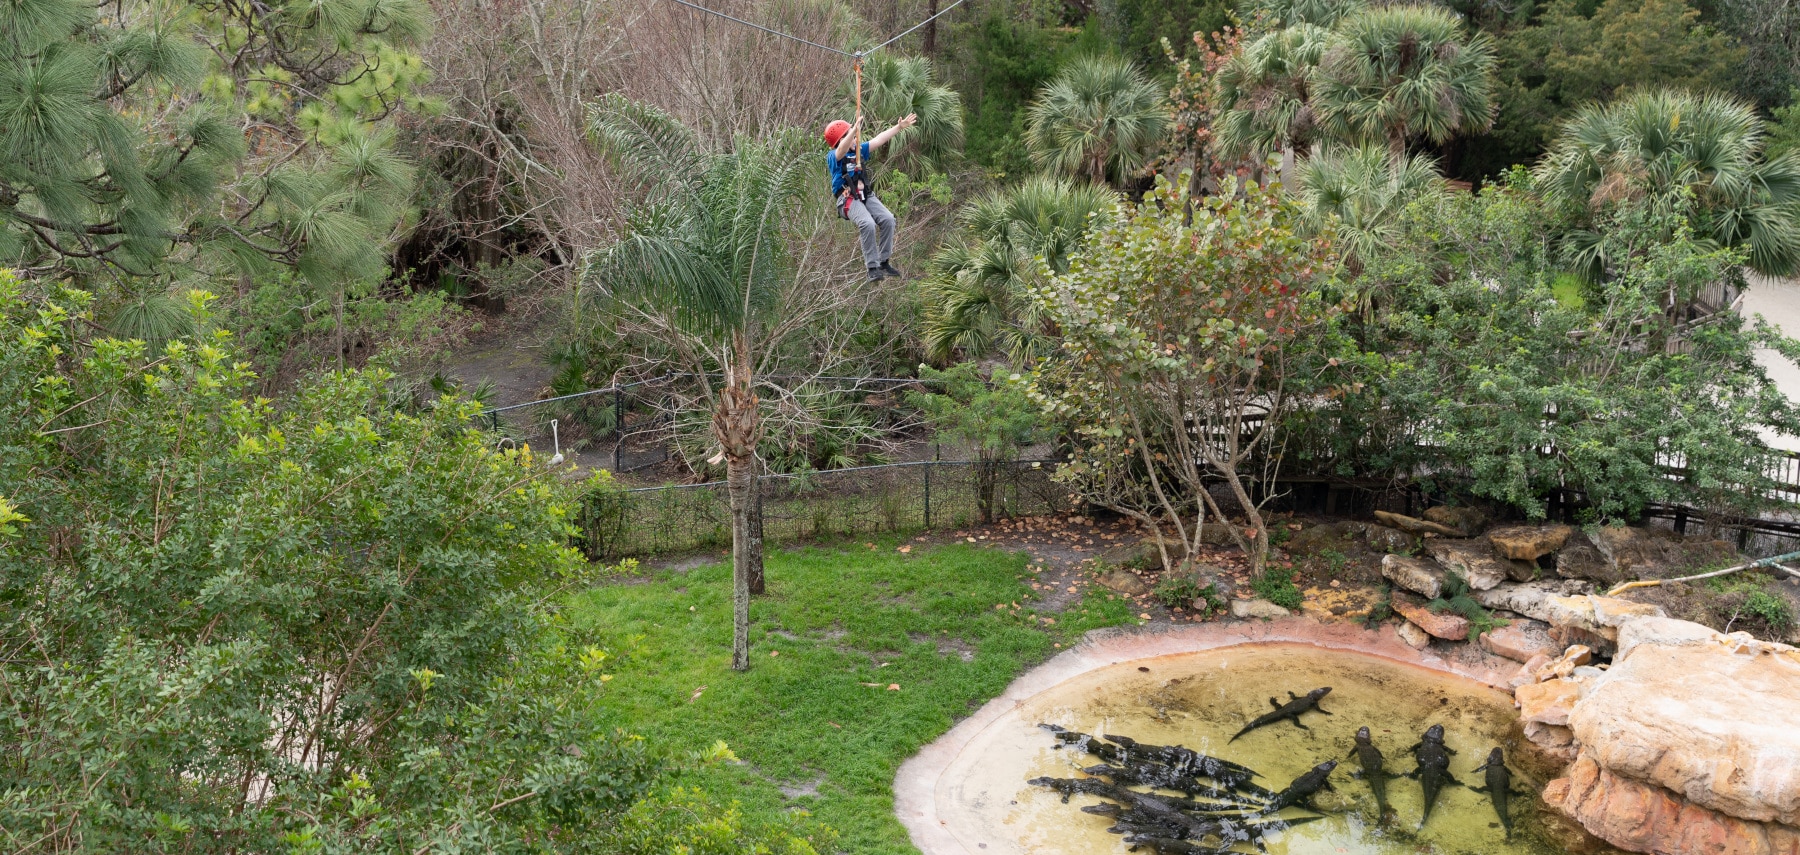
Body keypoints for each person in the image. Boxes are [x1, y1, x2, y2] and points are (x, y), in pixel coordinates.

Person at [824, 113, 916, 281]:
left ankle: (883, 262)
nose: (855, 138)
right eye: (850, 136)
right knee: (867, 224)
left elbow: (879, 140)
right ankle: (872, 268)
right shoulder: (833, 156)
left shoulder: (859, 150)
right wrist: (852, 131)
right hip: (847, 199)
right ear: (842, 139)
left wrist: (898, 127)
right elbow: (841, 149)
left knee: (888, 219)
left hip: (865, 195)